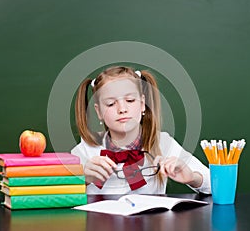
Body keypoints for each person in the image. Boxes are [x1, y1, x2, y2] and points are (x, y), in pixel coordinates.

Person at [71, 66, 211, 194]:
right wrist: (83, 180)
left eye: (130, 100)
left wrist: (193, 178)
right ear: (99, 112)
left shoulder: (163, 142)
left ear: (143, 104)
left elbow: (214, 185)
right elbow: (57, 197)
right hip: (99, 221)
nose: (122, 109)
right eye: (111, 103)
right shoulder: (85, 150)